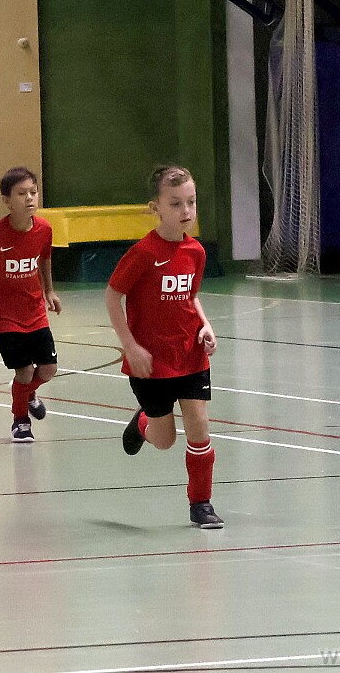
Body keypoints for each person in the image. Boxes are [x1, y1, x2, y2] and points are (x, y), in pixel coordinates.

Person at [104, 166, 222, 529]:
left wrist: (205, 325)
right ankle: (142, 424)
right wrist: (130, 346)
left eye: (191, 202)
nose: (186, 210)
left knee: (199, 426)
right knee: (165, 439)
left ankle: (201, 503)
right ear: (155, 208)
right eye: (175, 203)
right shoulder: (143, 253)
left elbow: (191, 295)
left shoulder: (196, 251)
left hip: (190, 355)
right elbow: (112, 296)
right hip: (151, 364)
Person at [0, 167, 62, 443]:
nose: (29, 198)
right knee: (24, 371)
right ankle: (20, 421)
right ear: (7, 201)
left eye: (33, 192)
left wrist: (49, 290)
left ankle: (27, 392)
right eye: (22, 193)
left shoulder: (44, 229)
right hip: (4, 316)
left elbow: (44, 259)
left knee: (48, 369)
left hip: (35, 311)